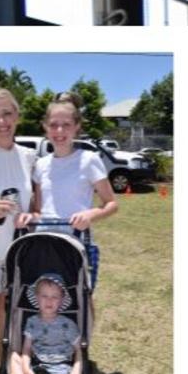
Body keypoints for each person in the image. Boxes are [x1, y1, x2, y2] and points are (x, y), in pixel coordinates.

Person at [30, 92, 117, 290]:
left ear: (77, 127)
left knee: (81, 302)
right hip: (45, 244)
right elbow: (38, 209)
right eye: (53, 125)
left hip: (78, 243)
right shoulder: (40, 165)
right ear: (45, 127)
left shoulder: (89, 159)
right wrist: (30, 217)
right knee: (47, 302)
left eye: (66, 125)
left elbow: (111, 204)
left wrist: (90, 214)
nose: (59, 130)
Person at [0, 87, 36, 374]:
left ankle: (6, 363)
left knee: (9, 311)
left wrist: (33, 216)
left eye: (7, 113)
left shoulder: (28, 157)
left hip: (18, 252)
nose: (1, 121)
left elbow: (37, 205)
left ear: (17, 116)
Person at [7, 273, 82, 374]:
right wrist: (26, 368)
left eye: (55, 297)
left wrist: (76, 371)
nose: (49, 300)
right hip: (36, 364)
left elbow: (79, 350)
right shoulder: (32, 322)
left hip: (59, 368)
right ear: (36, 297)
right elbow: (26, 349)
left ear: (62, 300)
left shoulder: (67, 324)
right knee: (13, 357)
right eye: (44, 296)